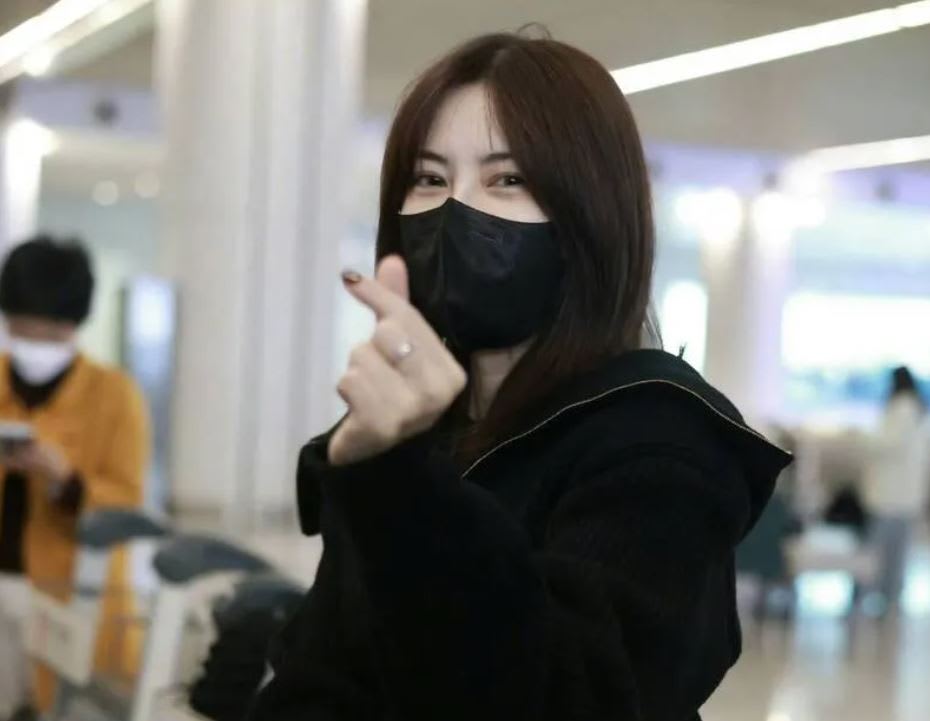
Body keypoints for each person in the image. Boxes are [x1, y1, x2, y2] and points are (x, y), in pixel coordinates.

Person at [249, 32, 791, 721]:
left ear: (589, 213)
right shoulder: (432, 428)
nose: (456, 209)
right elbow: (323, 669)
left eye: (507, 180)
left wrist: (400, 486)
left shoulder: (662, 437)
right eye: (429, 179)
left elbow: (563, 693)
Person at [0, 236, 150, 719]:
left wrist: (64, 480)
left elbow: (126, 502)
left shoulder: (115, 395)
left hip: (68, 589)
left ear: (74, 324)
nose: (34, 343)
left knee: (65, 706)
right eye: (22, 328)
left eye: (48, 332)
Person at [862, 366, 930, 612]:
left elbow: (886, 444)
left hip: (890, 496)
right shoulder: (917, 410)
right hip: (905, 496)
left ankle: (882, 599)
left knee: (882, 554)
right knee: (896, 555)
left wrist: (863, 440)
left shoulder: (902, 410)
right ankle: (890, 600)